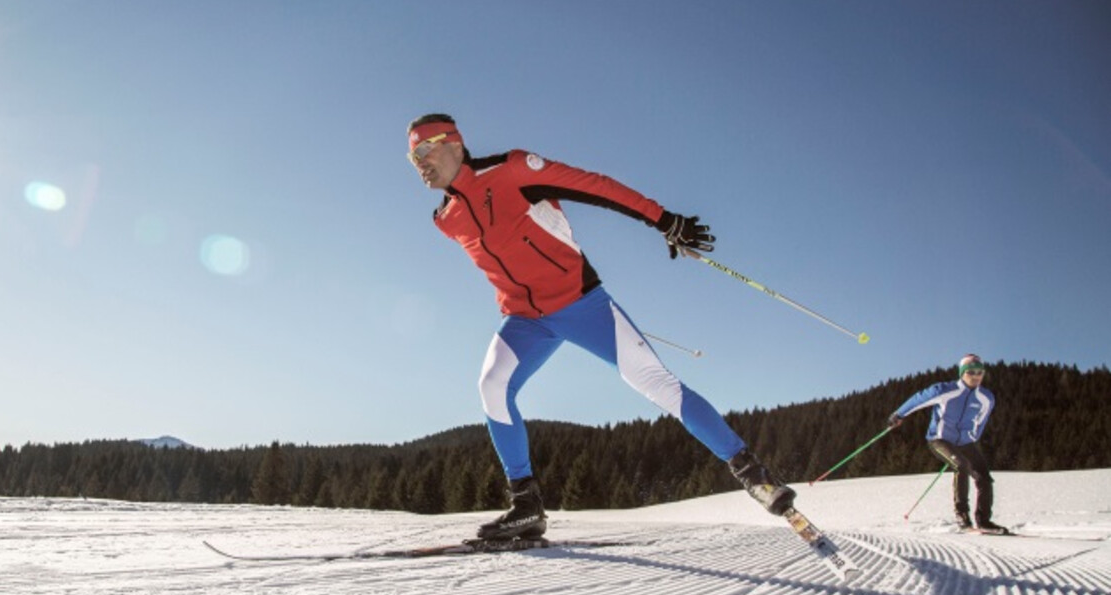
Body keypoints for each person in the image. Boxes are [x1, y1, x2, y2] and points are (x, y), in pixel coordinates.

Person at [405, 113, 795, 541]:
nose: (419, 160)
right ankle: (526, 505)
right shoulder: (446, 219)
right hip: (523, 319)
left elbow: (594, 186)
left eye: (426, 148)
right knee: (492, 387)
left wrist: (664, 220)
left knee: (655, 382)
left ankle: (754, 473)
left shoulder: (513, 170)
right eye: (412, 155)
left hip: (580, 303)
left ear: (456, 145)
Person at [888, 354, 1006, 533]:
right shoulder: (945, 390)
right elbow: (919, 398)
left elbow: (981, 421)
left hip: (965, 443)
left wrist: (972, 437)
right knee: (961, 465)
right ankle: (962, 516)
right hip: (939, 439)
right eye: (971, 372)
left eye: (980, 372)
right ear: (962, 373)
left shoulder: (986, 398)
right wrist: (899, 414)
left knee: (984, 477)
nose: (976, 376)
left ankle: (984, 521)